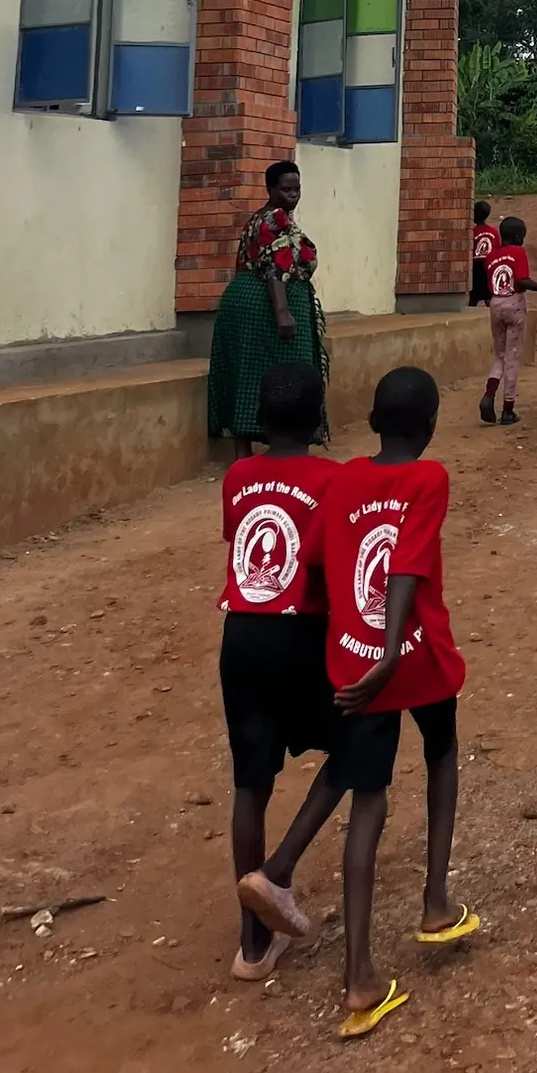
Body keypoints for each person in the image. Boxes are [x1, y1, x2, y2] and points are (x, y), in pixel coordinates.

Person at [309, 367, 475, 1040]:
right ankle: (436, 900)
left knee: (366, 803)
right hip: (415, 659)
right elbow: (406, 562)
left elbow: (319, 563)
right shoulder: (429, 478)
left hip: (355, 664)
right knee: (441, 753)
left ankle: (359, 978)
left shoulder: (342, 479)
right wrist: (388, 652)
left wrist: (358, 652)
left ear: (373, 422)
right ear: (432, 425)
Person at [218, 362, 346, 981]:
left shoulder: (238, 475)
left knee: (250, 782)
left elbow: (242, 548)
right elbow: (329, 567)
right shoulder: (333, 479)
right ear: (319, 419)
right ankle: (278, 873)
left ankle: (252, 948)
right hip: (301, 632)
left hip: (239, 634)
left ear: (261, 423)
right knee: (356, 747)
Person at [208, 161, 328, 458]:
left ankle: (242, 450)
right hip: (265, 306)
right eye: (286, 189)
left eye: (297, 189)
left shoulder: (263, 217)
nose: (293, 195)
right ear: (270, 189)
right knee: (290, 375)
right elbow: (276, 268)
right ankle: (287, 449)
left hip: (249, 303)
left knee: (248, 372)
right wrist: (282, 312)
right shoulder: (274, 219)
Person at [477, 216, 537, 427]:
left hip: (495, 304)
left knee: (500, 355)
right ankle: (507, 410)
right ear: (517, 236)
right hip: (514, 303)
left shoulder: (491, 256)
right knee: (512, 358)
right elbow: (522, 280)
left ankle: (488, 395)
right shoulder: (518, 253)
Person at [467, 201, 499, 308]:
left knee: (473, 296)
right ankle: (491, 317)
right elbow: (497, 248)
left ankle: (471, 315)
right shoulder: (493, 231)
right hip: (489, 266)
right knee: (488, 295)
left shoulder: (472, 232)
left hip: (475, 267)